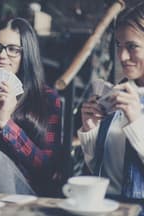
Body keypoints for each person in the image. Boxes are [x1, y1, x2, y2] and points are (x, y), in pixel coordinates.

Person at [0, 17, 63, 196]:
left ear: (26, 55)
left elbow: (48, 170)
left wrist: (6, 124)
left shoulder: (47, 99)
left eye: (13, 49)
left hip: (26, 200)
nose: (2, 55)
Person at [78, 2, 144, 199]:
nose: (122, 56)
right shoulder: (118, 94)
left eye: (132, 46)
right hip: (102, 205)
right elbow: (97, 168)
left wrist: (136, 121)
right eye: (119, 45)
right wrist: (90, 130)